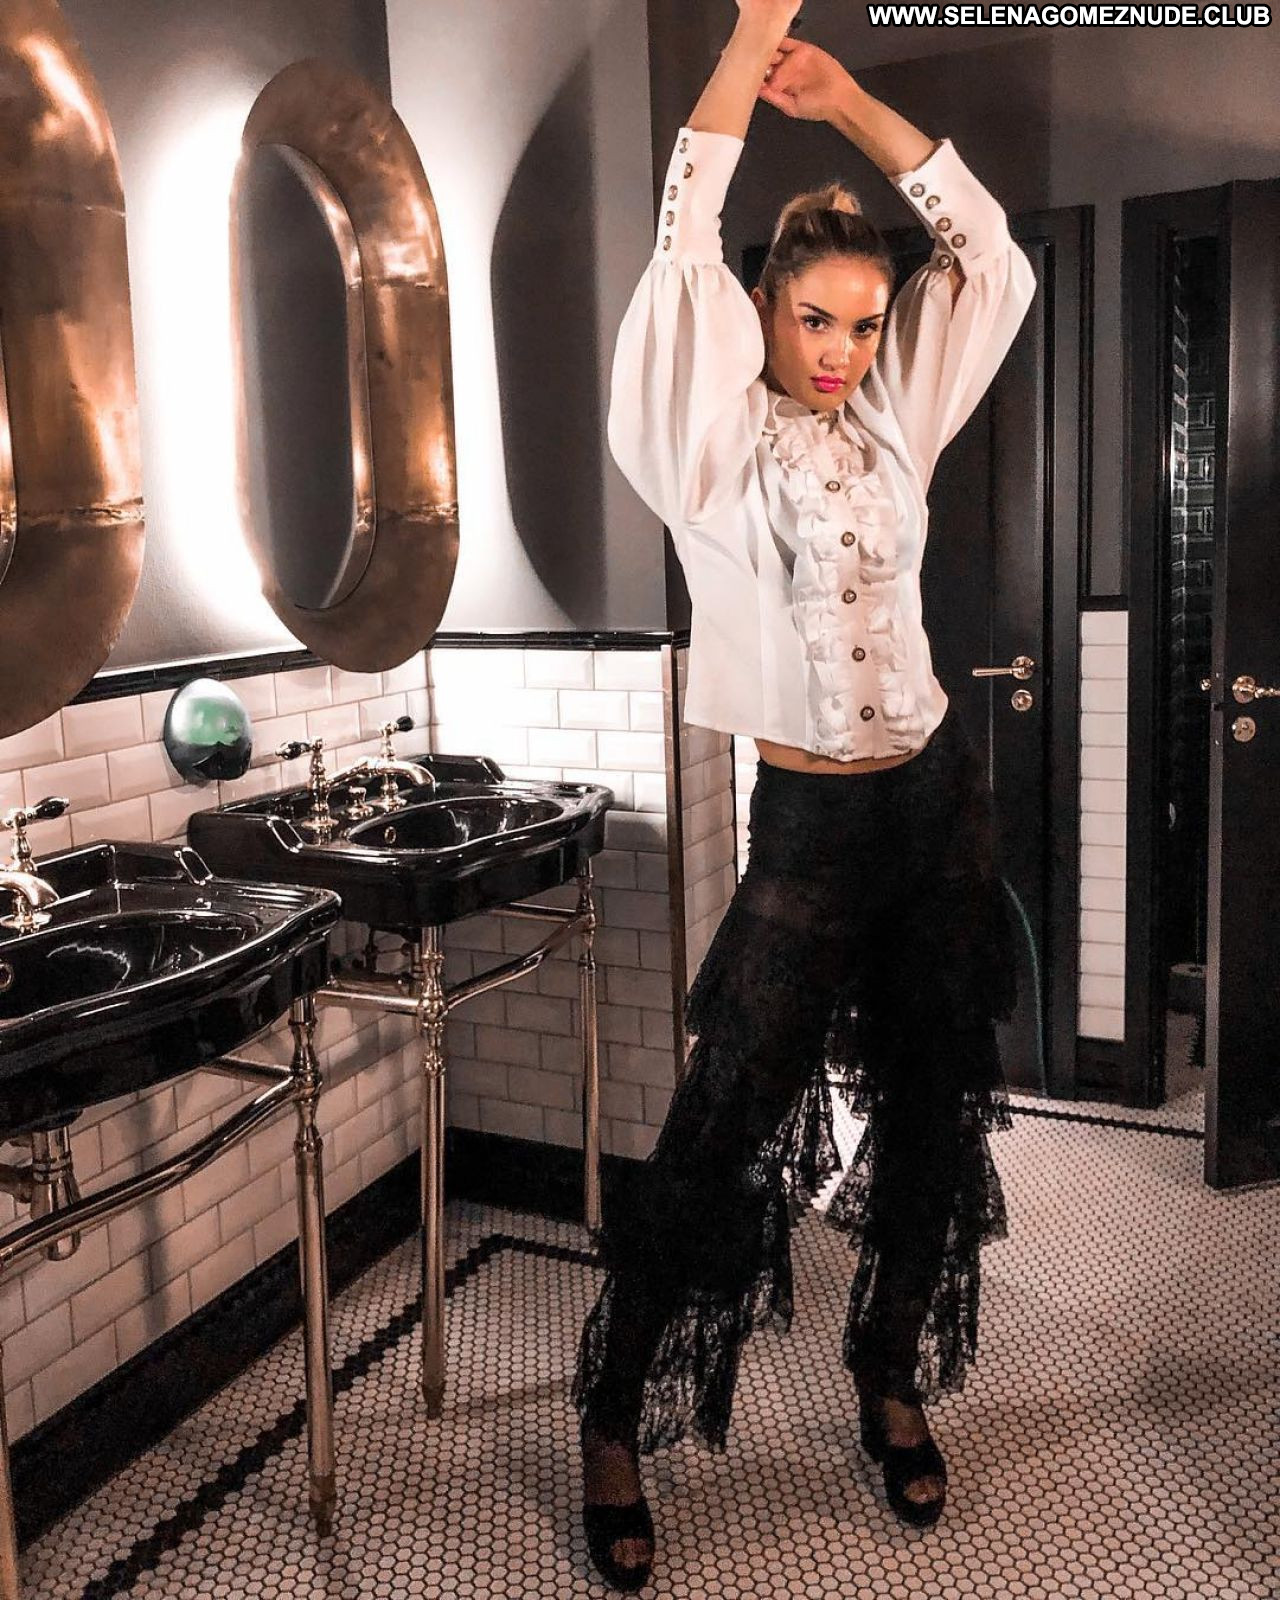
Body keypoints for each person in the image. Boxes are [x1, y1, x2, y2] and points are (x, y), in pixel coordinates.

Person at [572, 1, 1038, 1588]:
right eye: (816, 318)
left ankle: (887, 1374)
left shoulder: (895, 420)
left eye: (864, 324)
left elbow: (991, 257)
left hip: (933, 806)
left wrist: (847, 101)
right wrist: (754, 38)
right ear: (763, 303)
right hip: (811, 828)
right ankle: (615, 1417)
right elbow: (682, 230)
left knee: (932, 1109)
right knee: (720, 1127)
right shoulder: (706, 451)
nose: (842, 351)